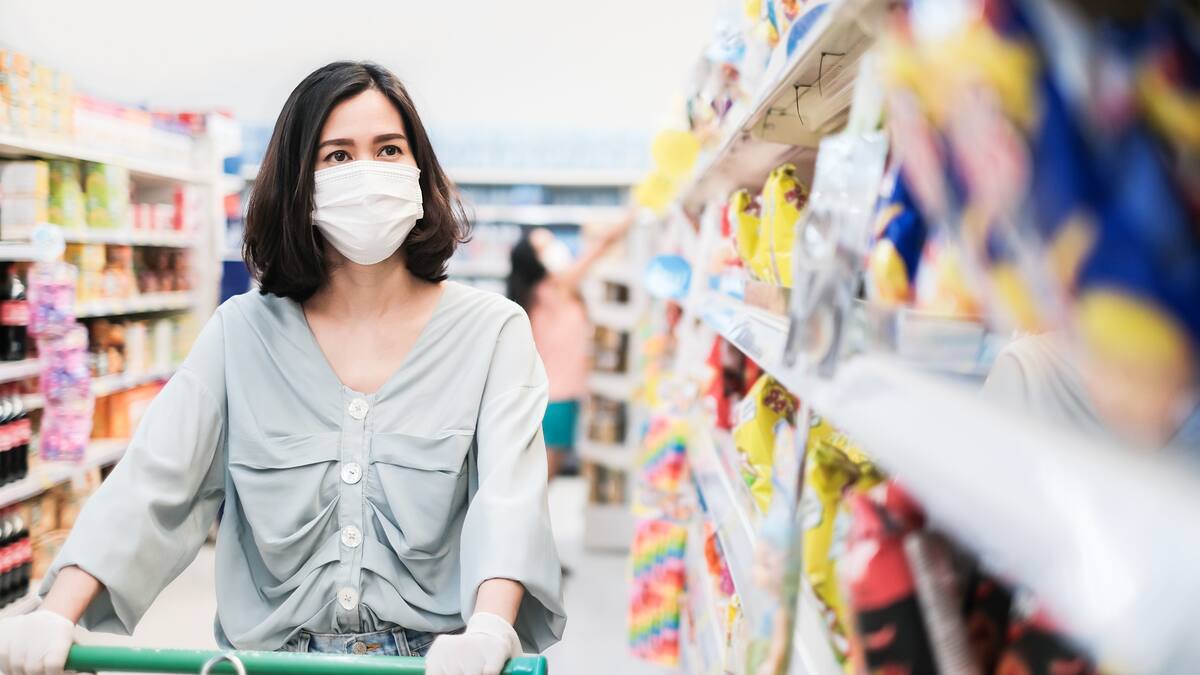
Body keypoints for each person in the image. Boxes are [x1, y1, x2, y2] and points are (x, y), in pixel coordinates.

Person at [0, 61, 565, 675]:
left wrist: (488, 629)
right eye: (338, 156)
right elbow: (151, 484)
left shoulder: (492, 332)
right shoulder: (240, 335)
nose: (368, 171)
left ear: (419, 169)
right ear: (300, 181)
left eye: (388, 149)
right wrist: (57, 613)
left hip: (438, 663)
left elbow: (509, 499)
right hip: (269, 662)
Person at [506, 216, 632, 480]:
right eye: (545, 247)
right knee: (545, 471)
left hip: (556, 394)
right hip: (556, 397)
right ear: (534, 260)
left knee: (545, 469)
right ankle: (528, 520)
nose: (555, 249)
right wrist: (630, 217)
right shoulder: (554, 290)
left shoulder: (540, 294)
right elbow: (598, 249)